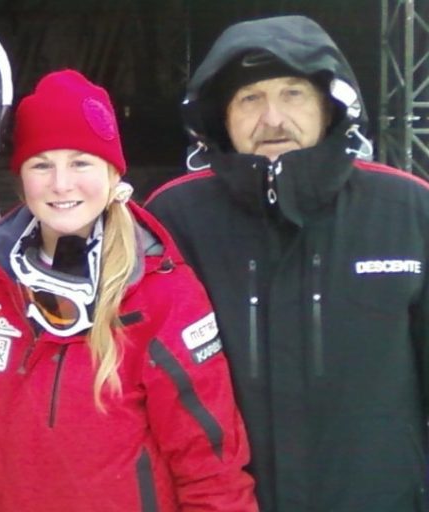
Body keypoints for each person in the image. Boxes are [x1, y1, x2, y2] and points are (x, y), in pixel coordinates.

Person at [146, 15, 429, 512]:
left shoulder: (407, 210)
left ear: (328, 103)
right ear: (221, 116)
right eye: (250, 98)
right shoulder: (173, 219)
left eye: (293, 93)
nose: (272, 117)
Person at [0, 69, 257, 511]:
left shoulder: (161, 291)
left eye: (81, 162)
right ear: (21, 179)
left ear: (114, 173)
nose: (61, 184)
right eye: (42, 164)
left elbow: (212, 468)